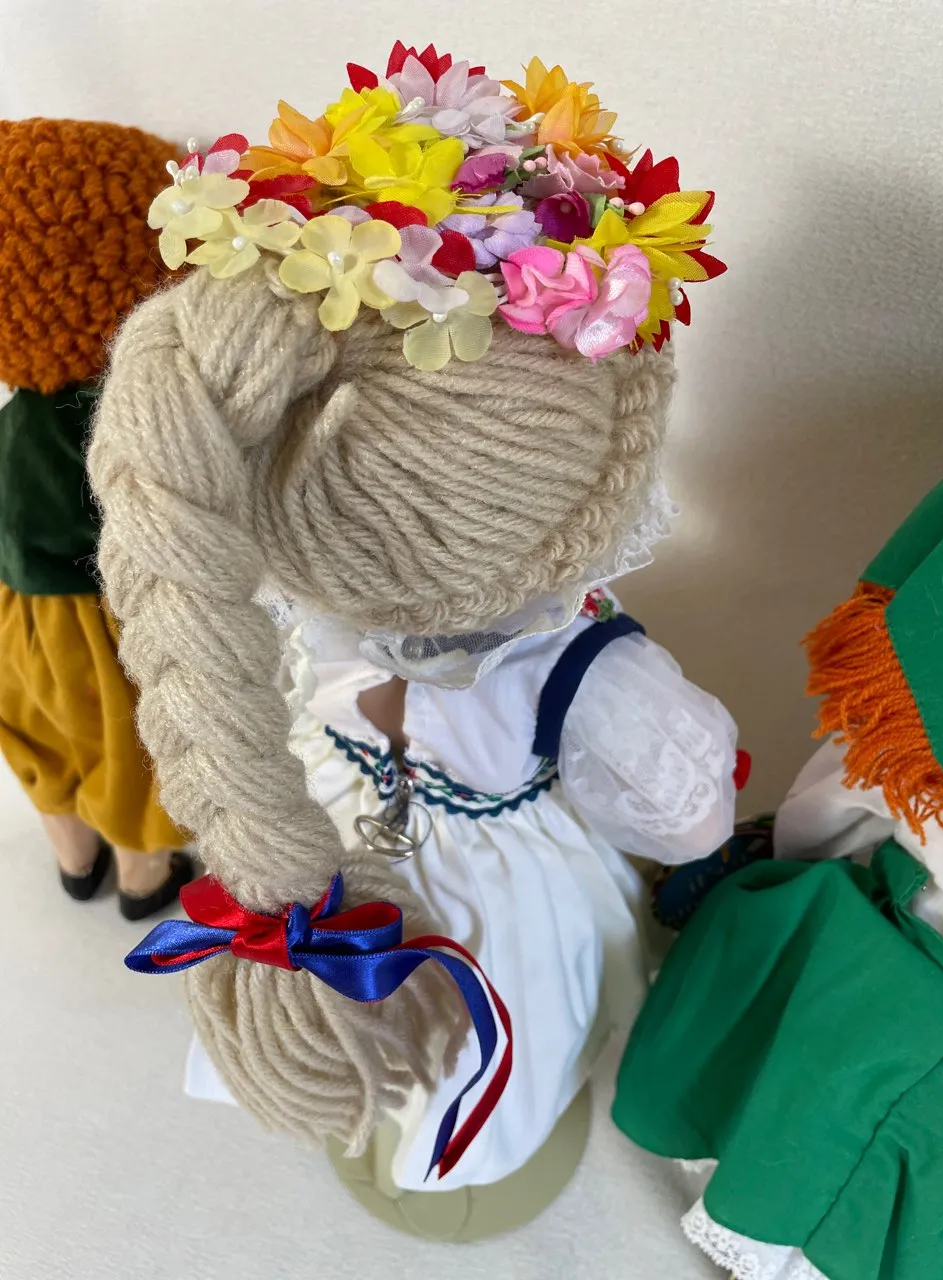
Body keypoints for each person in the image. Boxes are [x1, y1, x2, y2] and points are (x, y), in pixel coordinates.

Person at [89, 43, 735, 1232]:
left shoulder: (275, 608)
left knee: (392, 1038)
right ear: (585, 507)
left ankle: (377, 1117)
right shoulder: (584, 673)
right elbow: (688, 815)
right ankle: (469, 1158)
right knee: (496, 1033)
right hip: (502, 904)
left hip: (329, 835)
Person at [614, 467, 943, 1280]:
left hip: (879, 967)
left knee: (831, 1089)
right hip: (887, 963)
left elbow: (855, 785)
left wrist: (797, 851)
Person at [0, 117, 193, 920]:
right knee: (126, 750)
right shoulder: (120, 409)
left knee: (36, 733)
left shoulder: (20, 411)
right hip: (100, 619)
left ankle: (75, 860)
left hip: (15, 608)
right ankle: (143, 876)